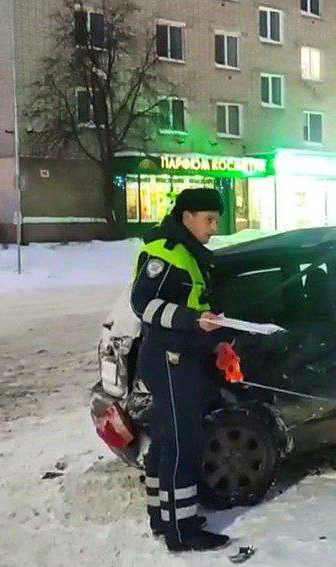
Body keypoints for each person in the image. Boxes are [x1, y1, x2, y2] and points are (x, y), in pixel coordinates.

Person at [130, 187, 230, 552]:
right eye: (208, 219)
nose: (214, 226)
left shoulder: (188, 252)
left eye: (216, 219)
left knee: (164, 440)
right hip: (170, 360)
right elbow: (143, 303)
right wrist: (193, 320)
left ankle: (165, 516)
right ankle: (182, 531)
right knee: (181, 442)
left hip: (180, 358)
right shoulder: (164, 253)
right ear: (187, 216)